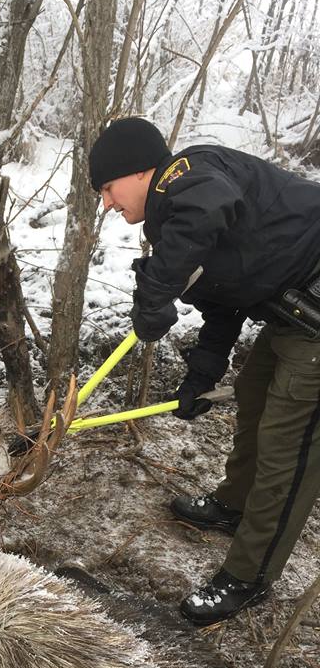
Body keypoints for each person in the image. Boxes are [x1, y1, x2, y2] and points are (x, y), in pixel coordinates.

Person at [87, 117, 320, 627]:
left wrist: (155, 291)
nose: (106, 203)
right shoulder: (177, 222)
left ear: (140, 171)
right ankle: (234, 505)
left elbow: (210, 206)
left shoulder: (190, 174)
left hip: (314, 318)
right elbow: (223, 303)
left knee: (289, 447)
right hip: (293, 313)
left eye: (107, 188)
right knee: (254, 400)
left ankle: (250, 575)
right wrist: (201, 375)